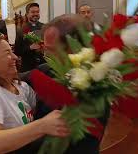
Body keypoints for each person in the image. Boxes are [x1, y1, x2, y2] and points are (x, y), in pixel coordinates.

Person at [22, 14, 110, 154]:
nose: (46, 55)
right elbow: (21, 78)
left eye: (51, 50)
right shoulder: (48, 70)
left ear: (74, 50)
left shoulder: (93, 90)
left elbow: (58, 144)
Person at [0, 36, 69, 153]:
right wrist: (42, 126)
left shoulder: (21, 87)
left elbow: (36, 112)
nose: (15, 57)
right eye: (7, 53)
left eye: (13, 52)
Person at [14, 2, 45, 72]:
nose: (36, 14)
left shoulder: (44, 27)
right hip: (28, 68)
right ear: (27, 14)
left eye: (37, 12)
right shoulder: (21, 29)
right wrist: (30, 47)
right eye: (33, 12)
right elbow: (17, 51)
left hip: (43, 65)